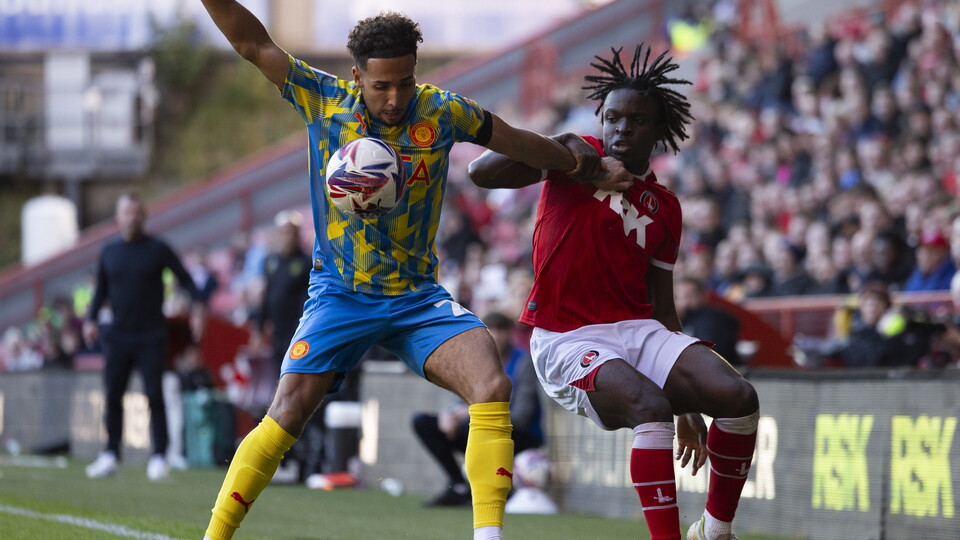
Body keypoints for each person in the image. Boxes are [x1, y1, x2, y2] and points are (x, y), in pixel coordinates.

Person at [198, 4, 608, 540]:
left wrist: (580, 164)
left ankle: (489, 536)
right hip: (341, 293)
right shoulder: (323, 100)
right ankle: (215, 536)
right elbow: (253, 45)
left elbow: (514, 140)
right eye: (381, 86)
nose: (395, 98)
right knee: (289, 409)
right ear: (357, 77)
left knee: (491, 382)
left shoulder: (443, 112)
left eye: (405, 82)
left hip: (416, 298)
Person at [469, 44, 761, 540]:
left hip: (638, 329)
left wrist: (692, 408)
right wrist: (563, 144)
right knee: (650, 408)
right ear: (599, 119)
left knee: (738, 397)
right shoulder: (571, 159)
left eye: (637, 120)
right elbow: (481, 172)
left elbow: (664, 307)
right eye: (613, 117)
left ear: (657, 130)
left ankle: (715, 531)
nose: (622, 128)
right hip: (565, 336)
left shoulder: (664, 206)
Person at [83, 192, 205, 481]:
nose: (132, 217)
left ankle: (159, 457)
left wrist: (199, 309)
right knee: (113, 395)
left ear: (144, 216)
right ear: (118, 216)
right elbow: (100, 290)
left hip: (151, 334)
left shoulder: (158, 249)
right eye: (127, 212)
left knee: (155, 396)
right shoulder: (109, 251)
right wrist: (89, 320)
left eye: (137, 212)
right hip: (118, 335)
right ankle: (111, 453)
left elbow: (186, 279)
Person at [412, 311, 544, 507]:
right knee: (423, 422)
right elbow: (460, 397)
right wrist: (449, 414)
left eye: (501, 330)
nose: (496, 335)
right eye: (491, 330)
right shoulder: (477, 360)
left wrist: (471, 412)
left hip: (519, 434)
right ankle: (459, 486)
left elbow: (522, 415)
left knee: (471, 426)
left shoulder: (524, 362)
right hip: (477, 425)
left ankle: (495, 490)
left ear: (510, 333)